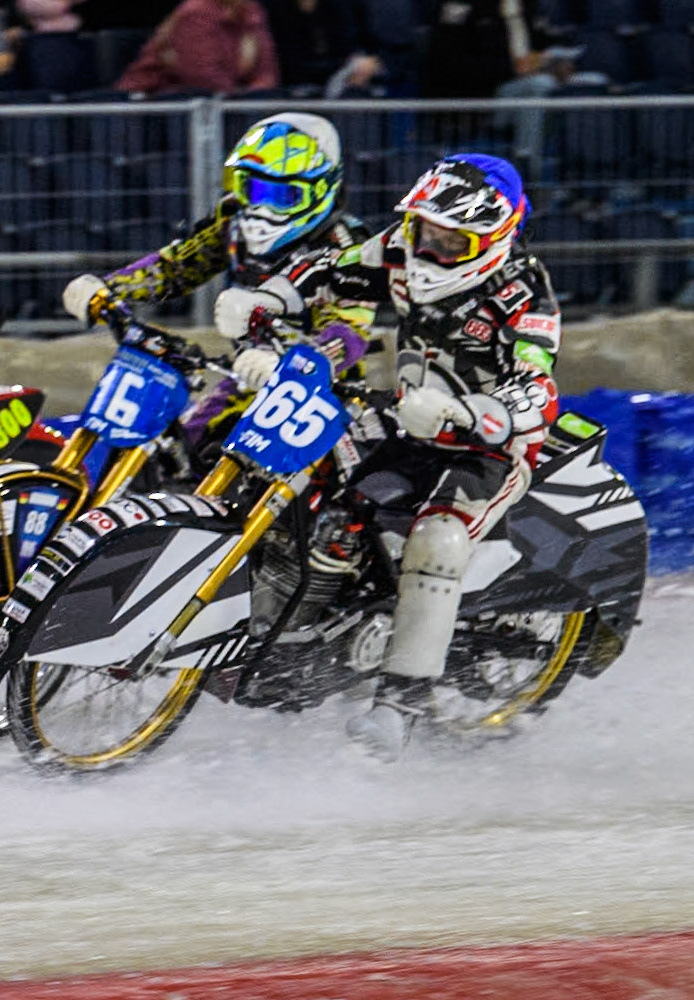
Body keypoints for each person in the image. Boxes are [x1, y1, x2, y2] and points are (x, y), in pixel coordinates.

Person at [212, 154, 559, 759]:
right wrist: (263, 300)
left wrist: (468, 413)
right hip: (407, 421)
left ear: (492, 238)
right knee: (313, 492)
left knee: (439, 540)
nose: (432, 245)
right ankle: (286, 635)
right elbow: (327, 269)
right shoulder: (400, 247)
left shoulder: (523, 292)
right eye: (427, 229)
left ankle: (402, 704)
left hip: (490, 444)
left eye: (453, 239)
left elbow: (537, 389)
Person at [61, 112, 370, 448]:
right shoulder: (232, 218)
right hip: (244, 375)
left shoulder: (347, 245)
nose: (263, 207)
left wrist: (294, 367)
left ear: (322, 188)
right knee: (189, 450)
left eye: (283, 196)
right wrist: (110, 287)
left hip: (322, 393)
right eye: (252, 189)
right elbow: (178, 266)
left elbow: (350, 331)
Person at [117, 0, 280, 95]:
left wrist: (256, 97)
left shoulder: (252, 13)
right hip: (157, 106)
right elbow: (201, 76)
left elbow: (267, 72)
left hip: (227, 101)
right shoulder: (196, 12)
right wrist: (241, 101)